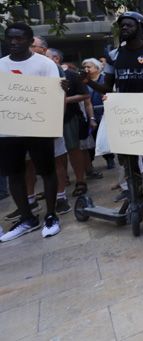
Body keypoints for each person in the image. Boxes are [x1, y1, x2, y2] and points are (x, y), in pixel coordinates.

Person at [83, 12, 143, 225]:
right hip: (124, 116)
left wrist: (130, 100)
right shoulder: (114, 56)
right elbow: (107, 85)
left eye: (129, 25)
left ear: (141, 28)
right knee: (128, 161)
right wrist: (88, 81)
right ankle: (136, 201)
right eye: (121, 26)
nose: (124, 29)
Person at [0, 23, 62, 241]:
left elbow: (55, 94)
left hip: (39, 127)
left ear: (29, 40)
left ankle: (52, 215)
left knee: (46, 170)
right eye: (10, 38)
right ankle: (27, 218)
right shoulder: (1, 65)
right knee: (14, 174)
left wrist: (53, 124)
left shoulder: (44, 65)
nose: (14, 42)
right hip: (9, 130)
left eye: (19, 38)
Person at [46, 48, 91, 211]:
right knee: (58, 155)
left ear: (56, 58)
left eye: (46, 56)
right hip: (49, 121)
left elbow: (85, 95)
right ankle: (62, 182)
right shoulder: (41, 76)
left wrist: (64, 100)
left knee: (73, 149)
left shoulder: (70, 75)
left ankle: (80, 181)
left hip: (69, 118)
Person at [82, 58, 115, 170]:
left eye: (89, 67)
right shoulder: (83, 82)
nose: (86, 69)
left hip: (104, 112)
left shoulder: (104, 79)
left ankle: (109, 158)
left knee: (105, 137)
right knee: (91, 138)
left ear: (97, 68)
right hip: (90, 113)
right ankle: (89, 164)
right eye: (85, 67)